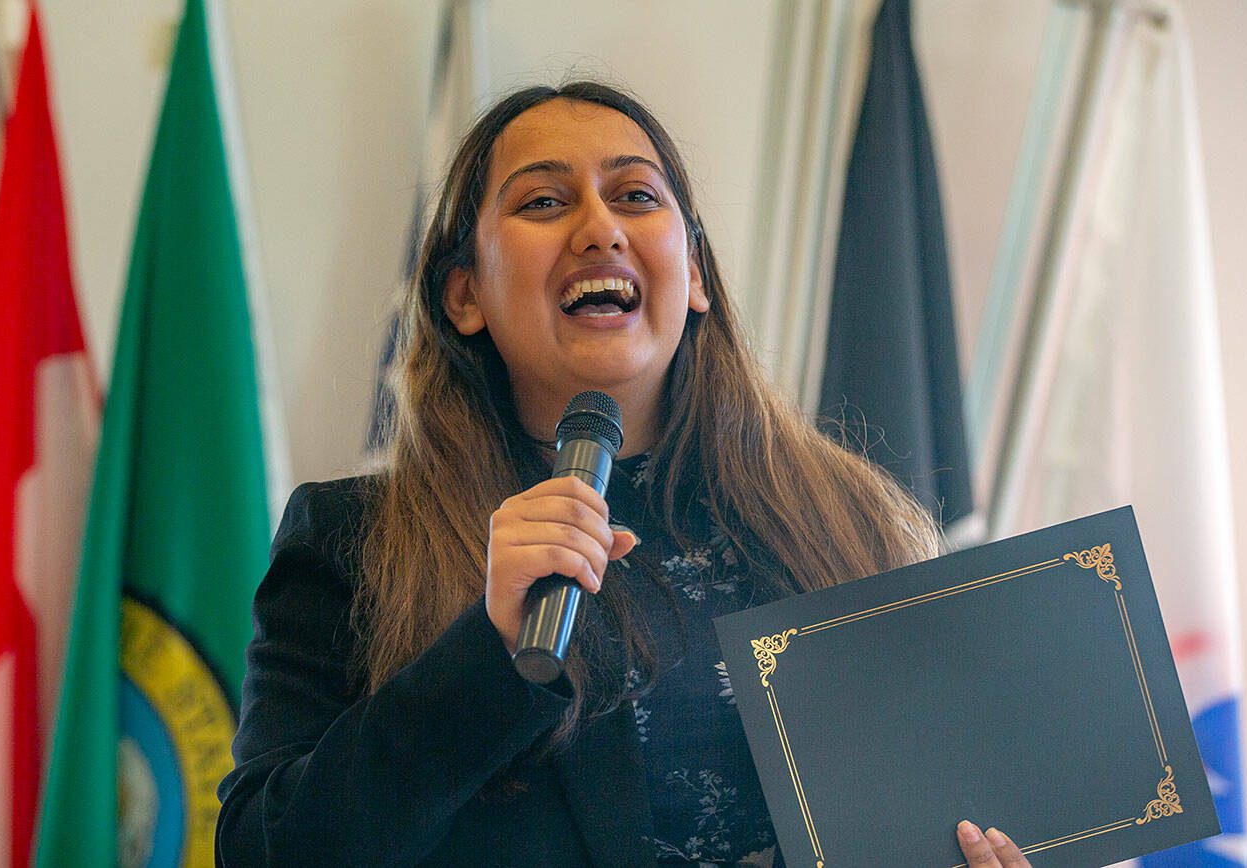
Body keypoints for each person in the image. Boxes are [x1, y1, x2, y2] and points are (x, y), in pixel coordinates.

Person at [215, 81, 1031, 867]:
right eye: (542, 202)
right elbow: (266, 851)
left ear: (698, 276)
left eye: (637, 197)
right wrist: (489, 648)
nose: (600, 229)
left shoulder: (853, 524)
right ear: (464, 294)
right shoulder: (354, 540)